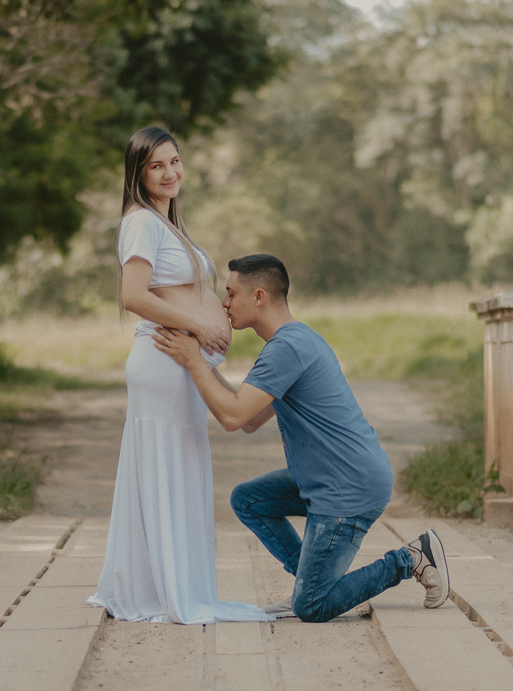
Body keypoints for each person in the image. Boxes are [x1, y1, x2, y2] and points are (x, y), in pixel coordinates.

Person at [153, 254, 450, 623]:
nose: (224, 304)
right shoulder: (294, 341)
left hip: (346, 488)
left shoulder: (286, 349)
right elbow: (248, 419)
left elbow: (231, 417)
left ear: (258, 296)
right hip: (330, 478)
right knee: (249, 500)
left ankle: (410, 558)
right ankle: (312, 583)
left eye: (230, 293)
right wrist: (202, 360)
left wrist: (194, 363)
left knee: (313, 608)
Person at [86, 128, 272, 625]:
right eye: (156, 166)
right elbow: (133, 295)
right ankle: (164, 591)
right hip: (164, 361)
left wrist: (210, 330)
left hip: (180, 364)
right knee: (166, 466)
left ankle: (174, 584)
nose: (170, 173)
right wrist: (195, 328)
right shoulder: (141, 223)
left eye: (174, 161)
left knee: (181, 468)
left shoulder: (167, 226)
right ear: (139, 173)